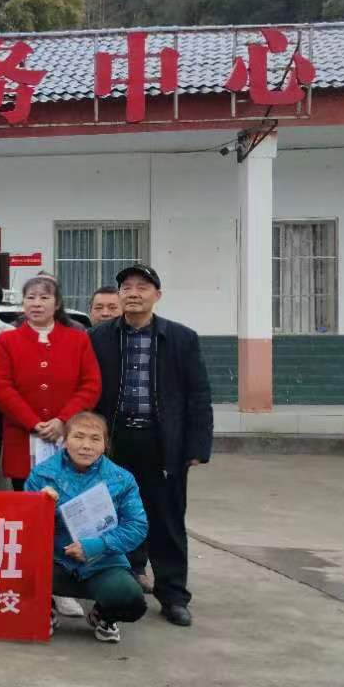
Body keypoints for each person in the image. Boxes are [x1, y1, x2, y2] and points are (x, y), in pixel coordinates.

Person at [89, 264, 212, 627]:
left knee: (167, 518)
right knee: (114, 514)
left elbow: (198, 395)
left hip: (163, 442)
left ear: (157, 295)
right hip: (114, 441)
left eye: (142, 287)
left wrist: (197, 446)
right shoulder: (99, 337)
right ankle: (123, 583)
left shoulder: (181, 338)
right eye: (126, 287)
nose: (133, 293)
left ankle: (173, 594)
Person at [27, 412, 151, 643]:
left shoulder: (122, 479)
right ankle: (45, 609)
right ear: (65, 440)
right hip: (55, 560)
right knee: (17, 574)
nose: (86, 445)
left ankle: (103, 616)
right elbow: (25, 525)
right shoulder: (42, 475)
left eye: (95, 439)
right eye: (78, 436)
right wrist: (41, 506)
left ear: (105, 444)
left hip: (103, 563)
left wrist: (96, 545)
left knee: (131, 599)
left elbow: (136, 526)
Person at [0, 274, 102, 488]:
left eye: (44, 297)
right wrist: (33, 422)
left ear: (57, 303)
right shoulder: (7, 340)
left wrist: (63, 420)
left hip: (69, 434)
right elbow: (1, 387)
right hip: (23, 437)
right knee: (26, 499)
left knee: (70, 498)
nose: (37, 303)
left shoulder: (78, 339)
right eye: (31, 297)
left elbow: (91, 385)